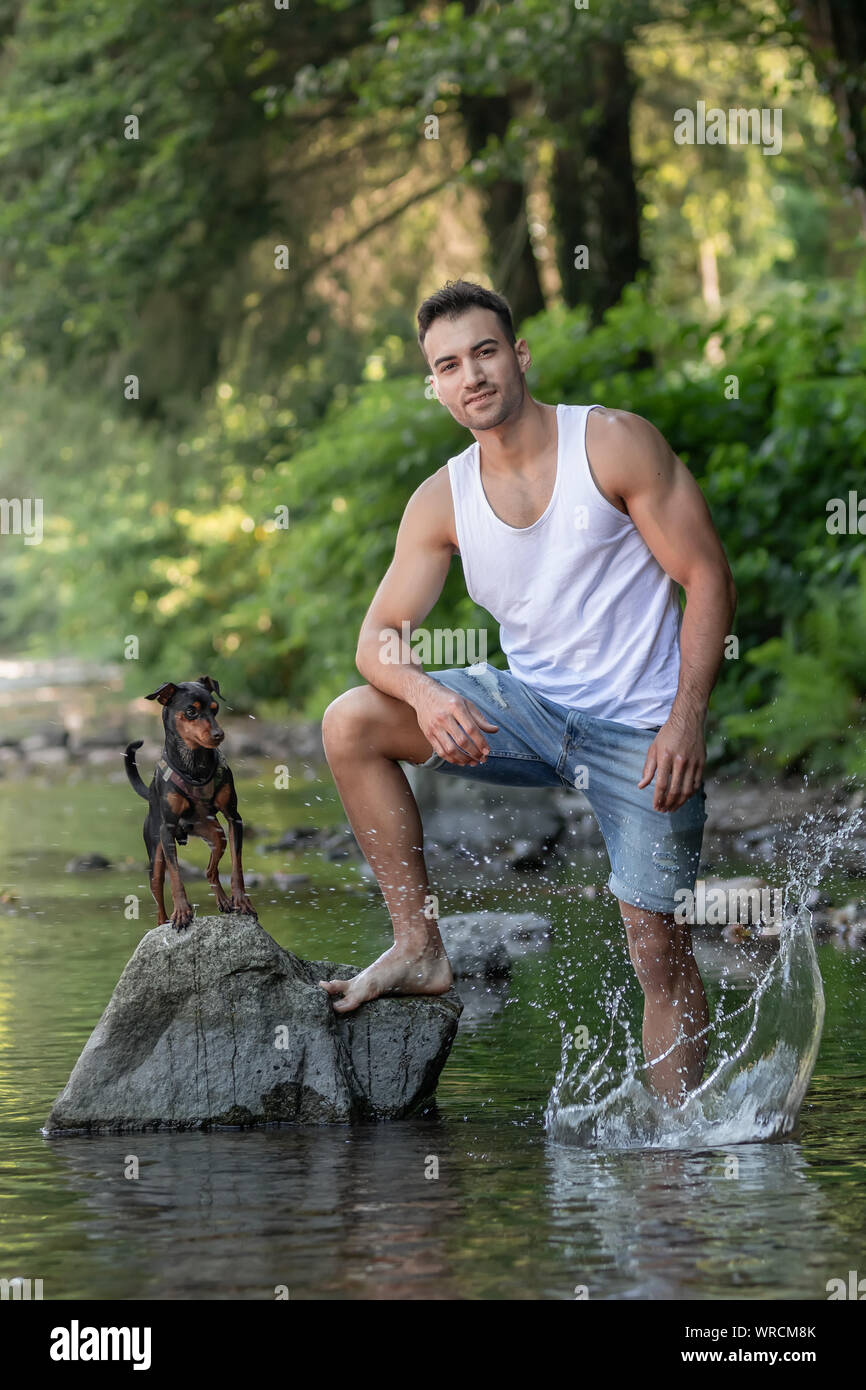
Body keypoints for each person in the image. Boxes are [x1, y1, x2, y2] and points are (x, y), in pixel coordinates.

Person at [319, 278, 737, 1105]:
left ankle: (679, 1151)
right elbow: (377, 641)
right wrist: (429, 698)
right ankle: (419, 947)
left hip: (641, 732)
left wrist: (687, 721)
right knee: (353, 723)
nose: (470, 375)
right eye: (448, 365)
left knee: (658, 949)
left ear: (518, 355)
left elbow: (707, 578)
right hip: (529, 715)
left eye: (483, 352)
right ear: (435, 388)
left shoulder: (614, 445)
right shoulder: (441, 500)